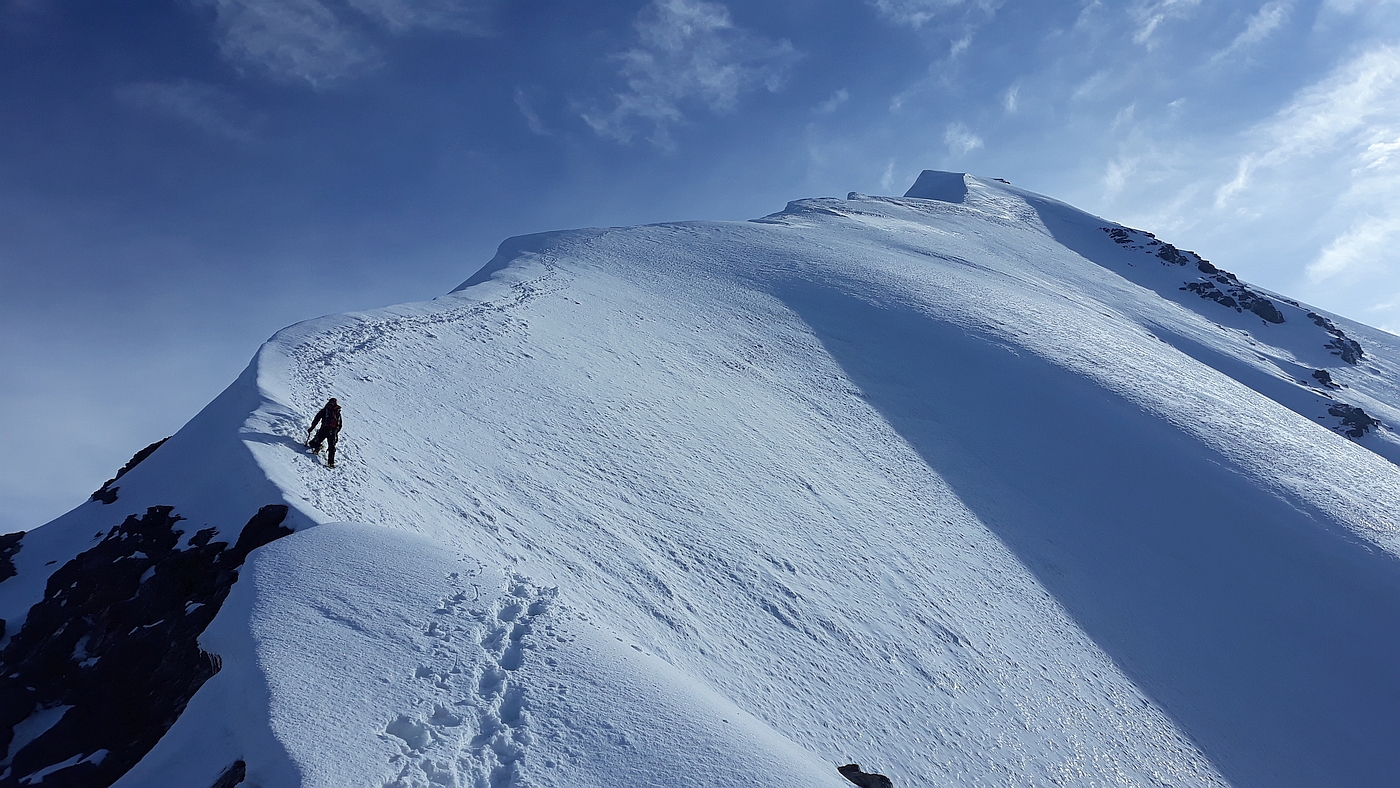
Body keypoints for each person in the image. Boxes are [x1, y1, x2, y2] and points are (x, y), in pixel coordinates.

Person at [307, 397, 342, 468]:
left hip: (324, 430)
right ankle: (330, 463)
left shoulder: (325, 410)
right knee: (332, 447)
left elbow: (317, 419)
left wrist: (312, 428)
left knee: (312, 443)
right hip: (333, 431)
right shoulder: (337, 412)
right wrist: (336, 432)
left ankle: (318, 446)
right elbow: (340, 424)